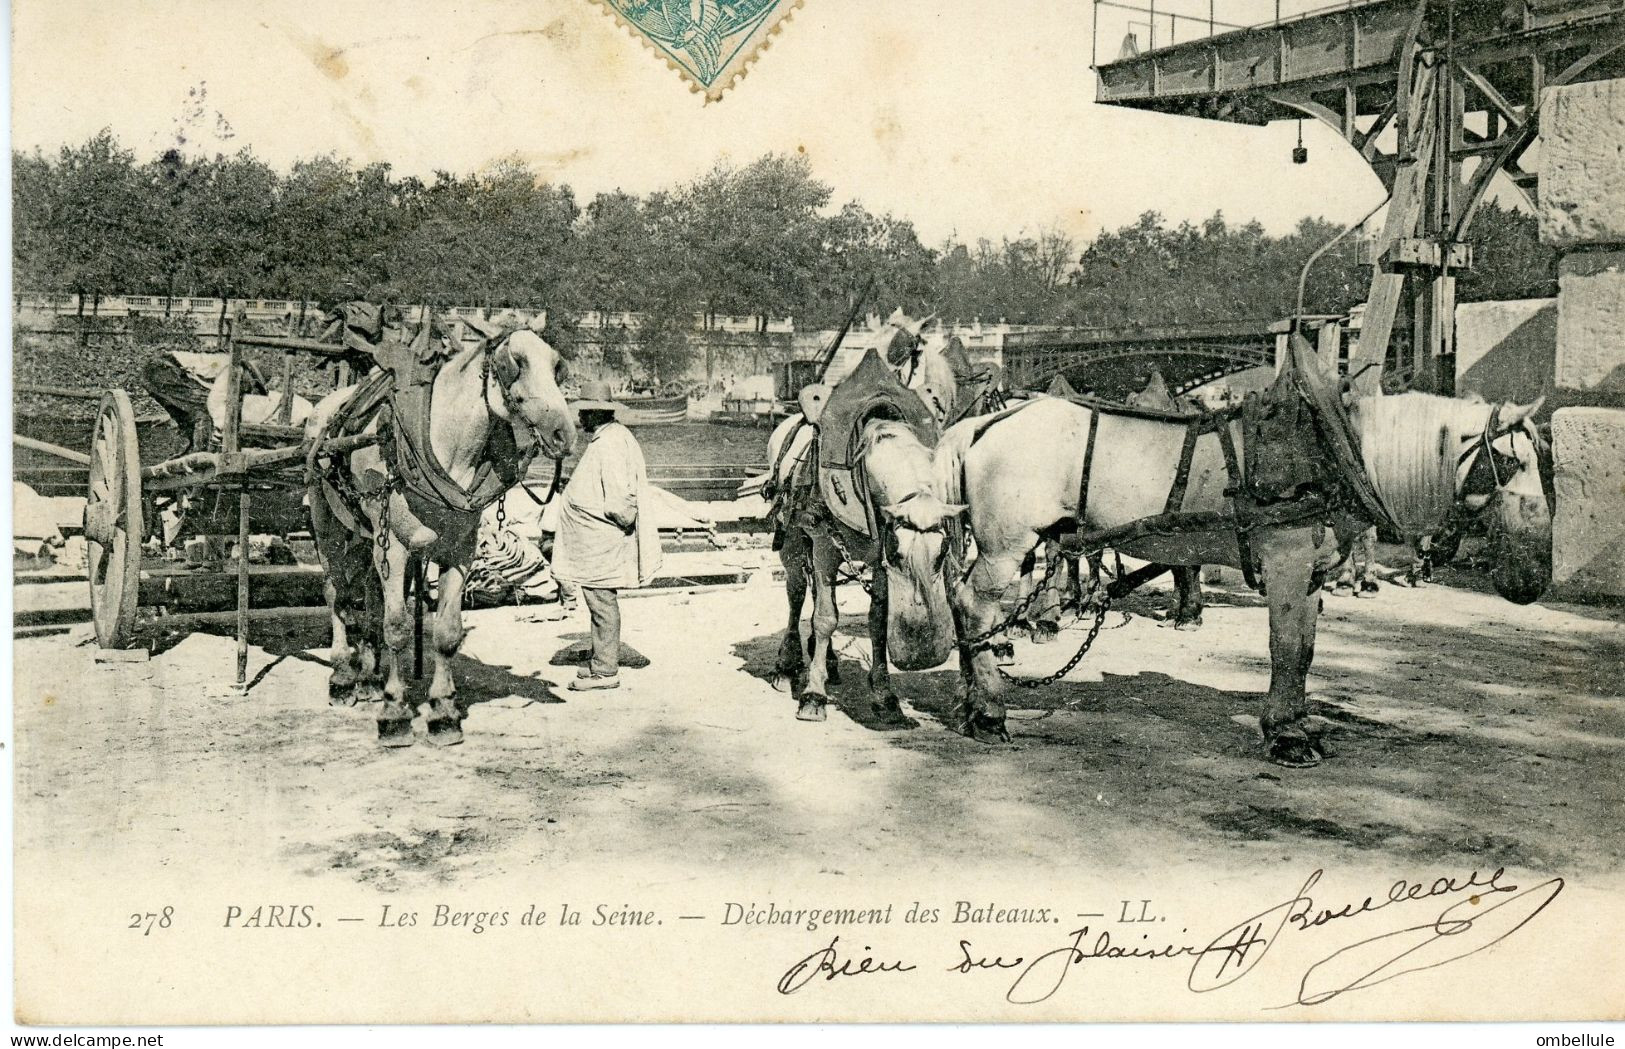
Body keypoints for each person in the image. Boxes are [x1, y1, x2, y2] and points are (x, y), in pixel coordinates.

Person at [550, 380, 662, 690]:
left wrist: (612, 521)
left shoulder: (610, 443)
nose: (580, 419)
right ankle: (600, 660)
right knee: (598, 600)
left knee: (601, 602)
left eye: (584, 413)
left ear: (595, 414)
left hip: (602, 540)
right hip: (597, 541)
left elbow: (620, 500)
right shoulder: (610, 438)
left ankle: (605, 671)